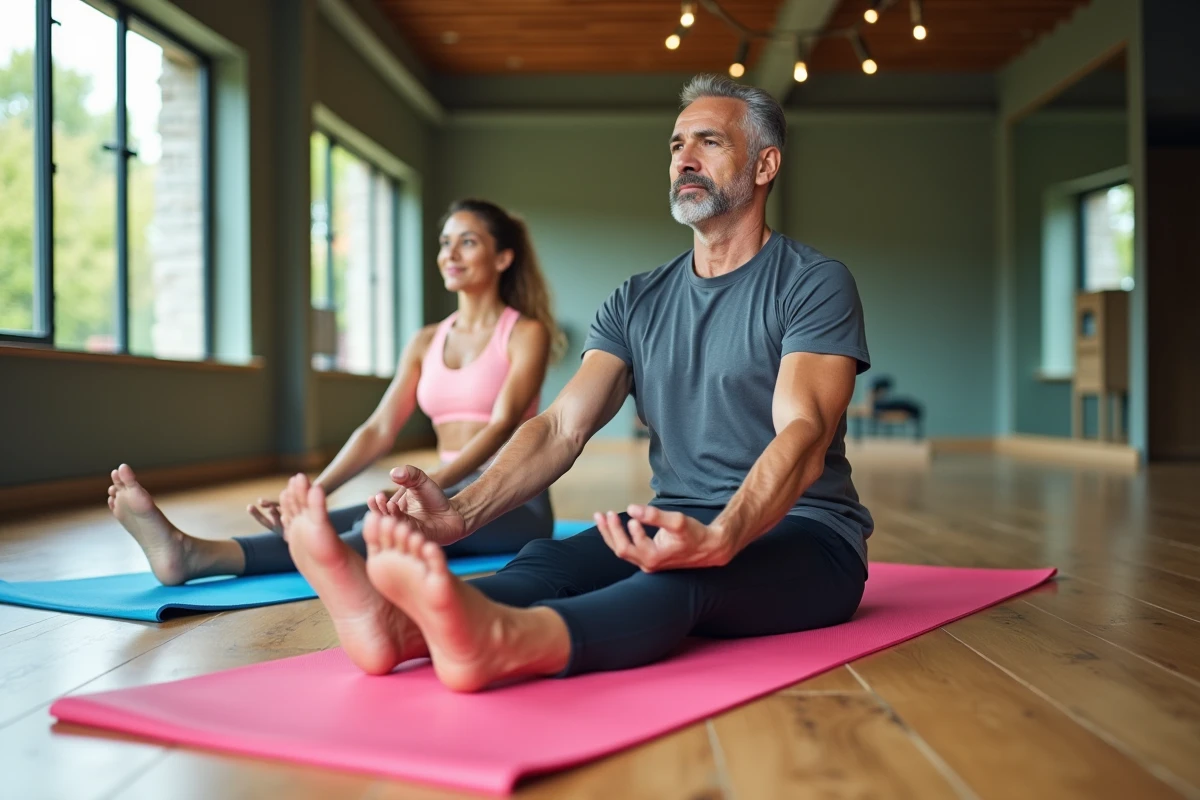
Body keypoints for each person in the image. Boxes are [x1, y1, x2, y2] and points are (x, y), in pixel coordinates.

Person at [277, 73, 874, 691]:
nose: (684, 159)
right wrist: (460, 513)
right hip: (674, 517)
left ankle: (503, 643)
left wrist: (723, 535)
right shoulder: (637, 299)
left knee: (682, 580)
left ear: (765, 165)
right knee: (550, 559)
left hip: (806, 533)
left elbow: (804, 430)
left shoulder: (812, 283)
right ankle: (398, 628)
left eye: (709, 141)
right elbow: (562, 426)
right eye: (676, 145)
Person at [107, 199, 564, 586]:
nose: (450, 254)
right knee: (345, 519)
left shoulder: (526, 333)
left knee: (378, 524)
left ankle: (204, 555)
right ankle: (188, 552)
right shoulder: (426, 340)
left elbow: (503, 423)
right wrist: (313, 494)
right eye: (445, 242)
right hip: (443, 486)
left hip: (512, 497)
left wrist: (434, 485)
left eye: (468, 242)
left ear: (503, 258)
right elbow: (379, 429)